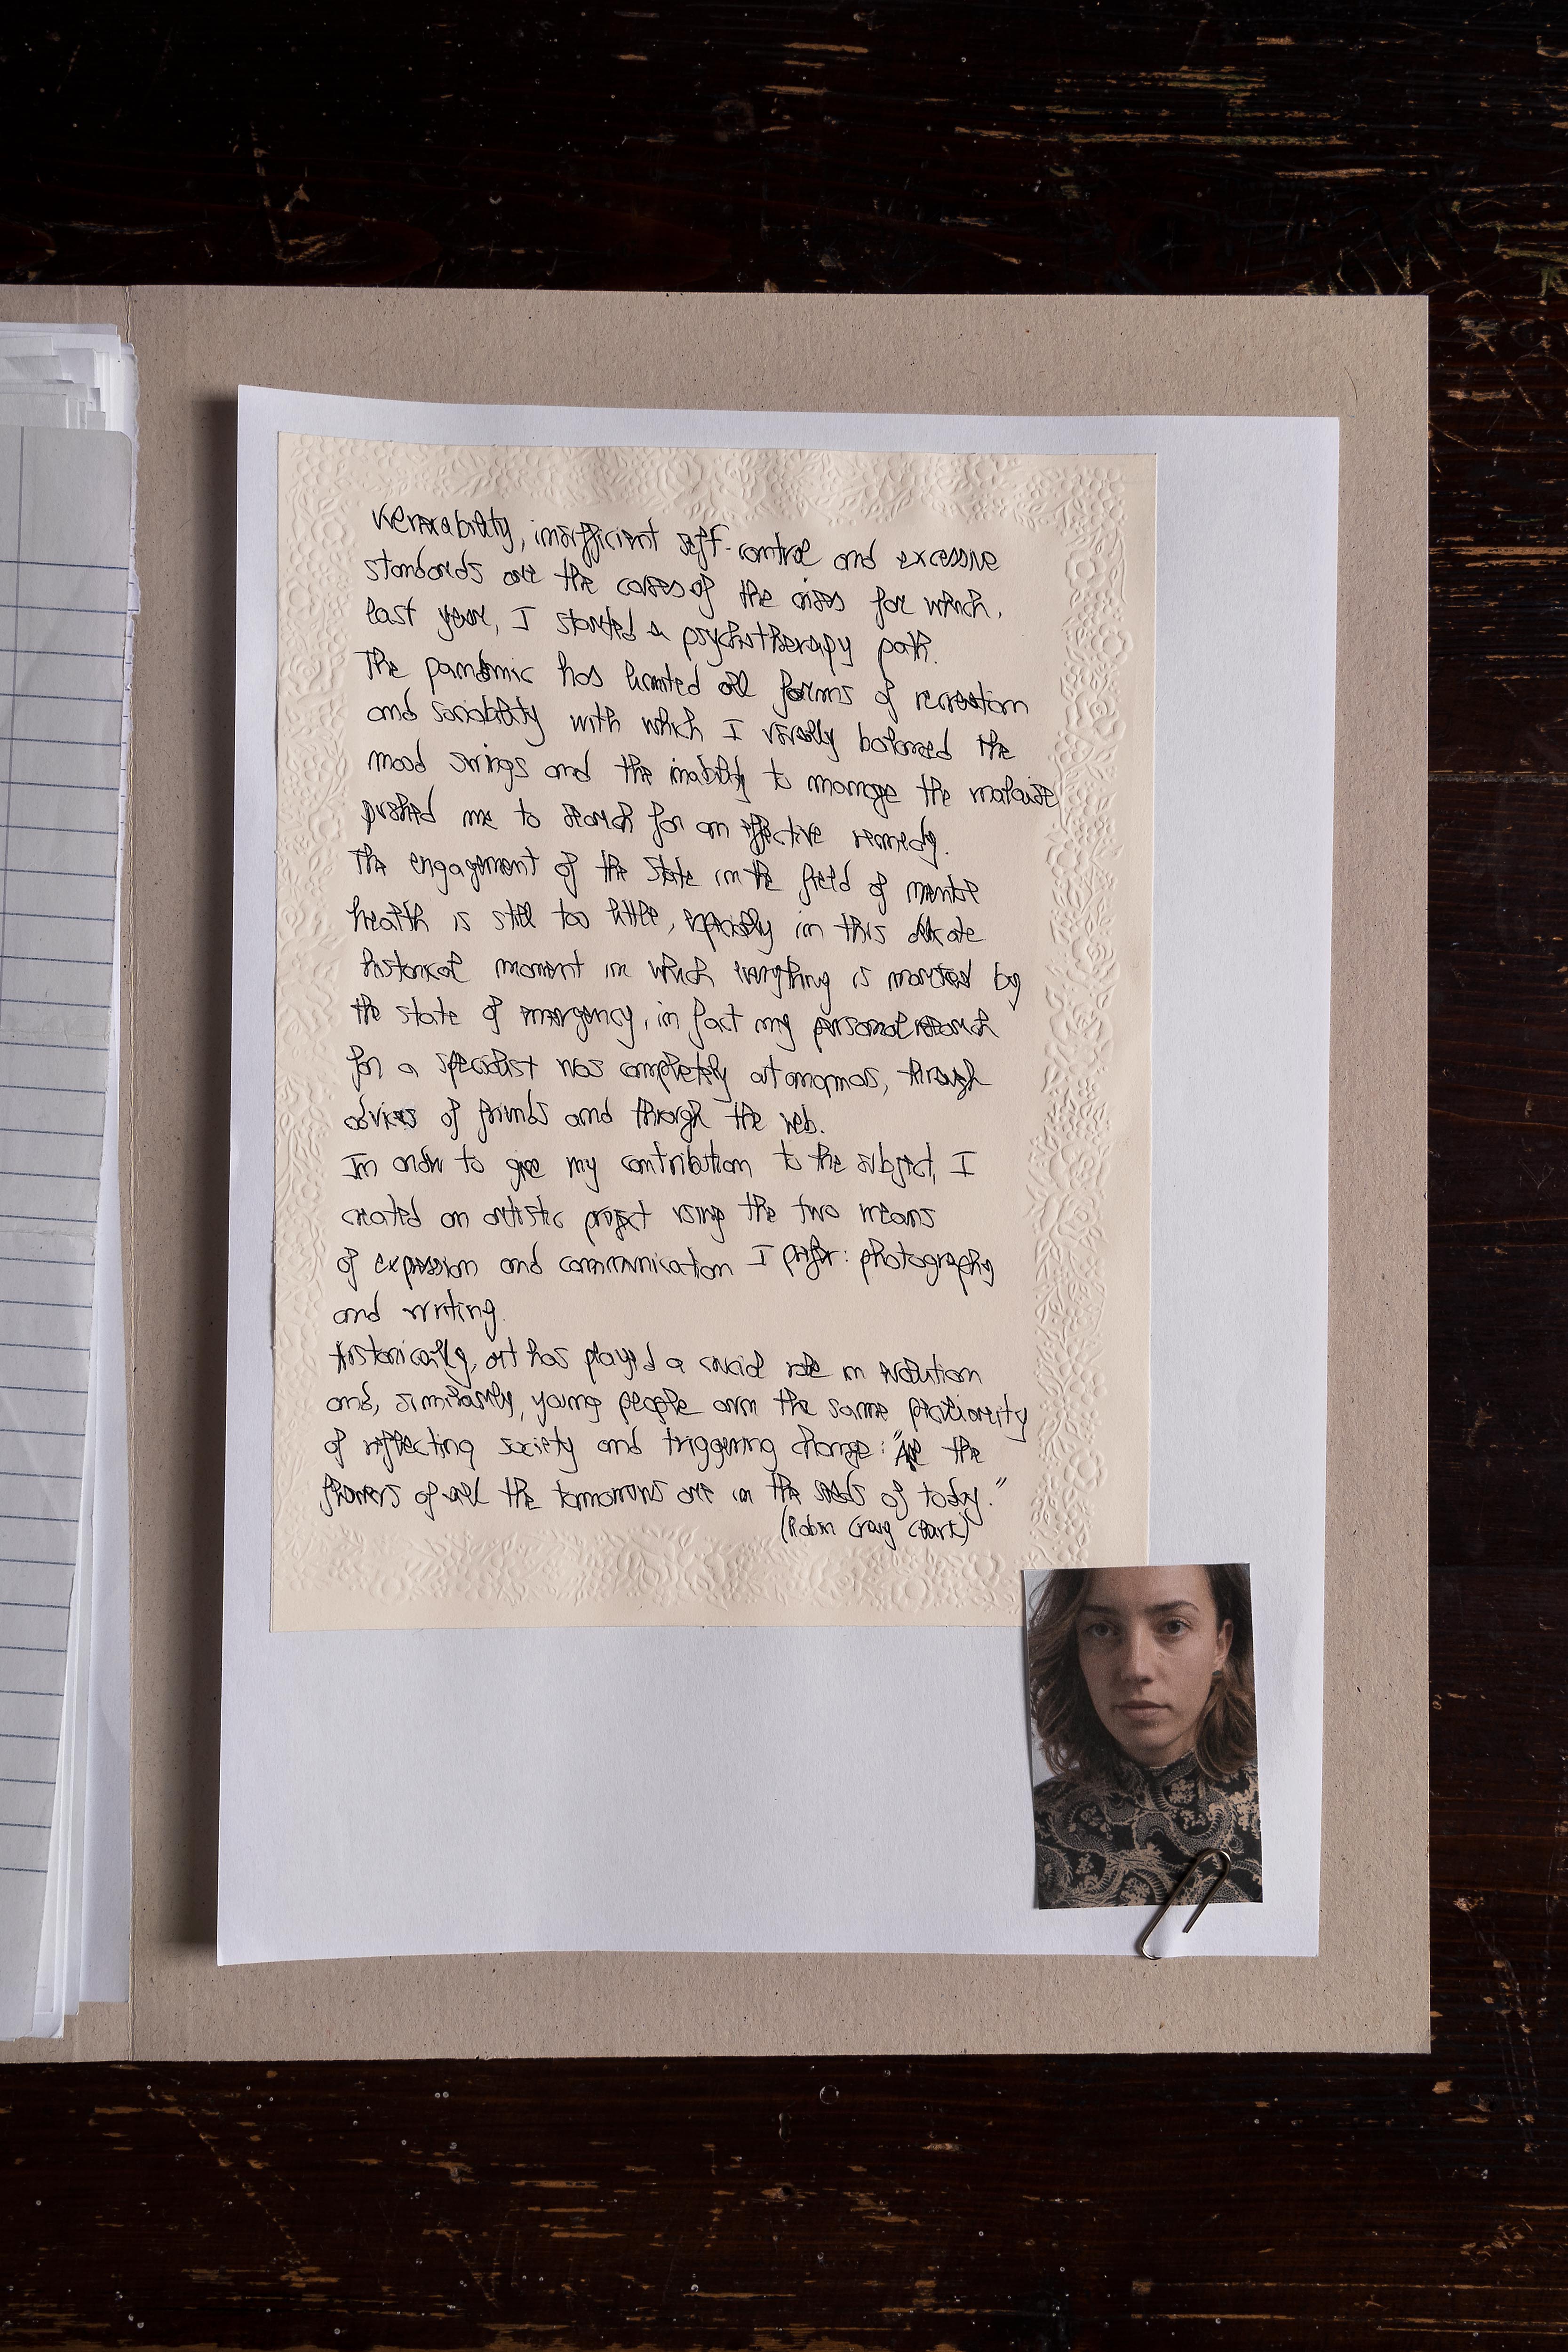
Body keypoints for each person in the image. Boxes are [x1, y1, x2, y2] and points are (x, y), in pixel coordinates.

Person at [1027, 1563, 1262, 1909]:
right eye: (1102, 1630)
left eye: (1173, 1627)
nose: (1136, 1668)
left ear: (1221, 1644)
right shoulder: (1030, 1826)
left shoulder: (1288, 1815)